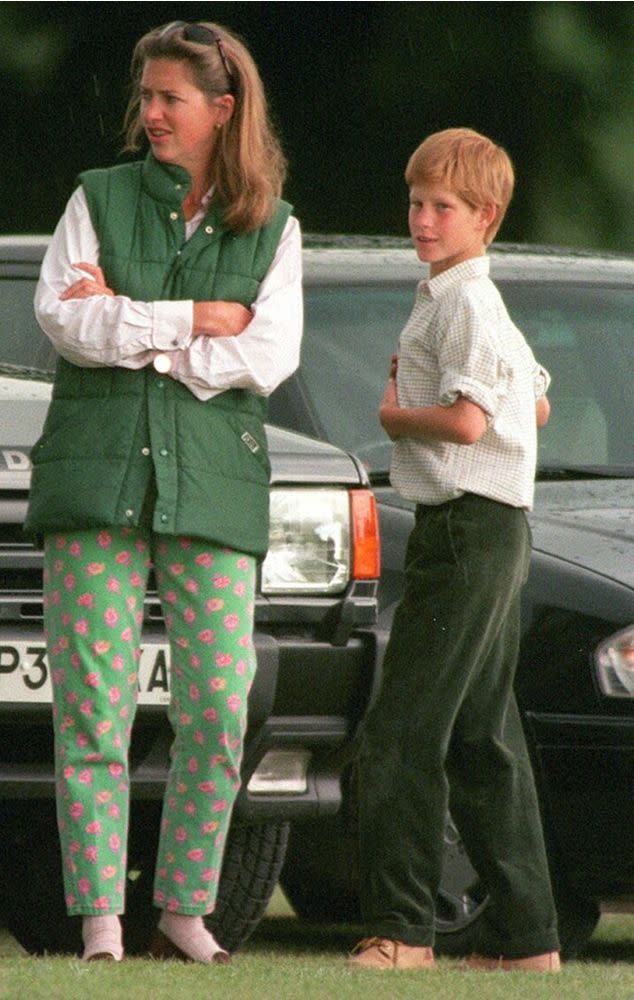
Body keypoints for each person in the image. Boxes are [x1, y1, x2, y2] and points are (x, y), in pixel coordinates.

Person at [25, 20, 302, 964]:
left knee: (220, 710)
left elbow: (266, 354)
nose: (149, 114)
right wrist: (193, 322)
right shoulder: (96, 198)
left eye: (169, 99)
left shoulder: (275, 225)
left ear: (223, 110)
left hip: (214, 489)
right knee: (91, 710)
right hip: (94, 482)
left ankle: (186, 910)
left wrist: (129, 323)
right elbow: (62, 322)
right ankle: (101, 922)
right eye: (144, 96)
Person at [349, 128, 561, 972]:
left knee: (401, 732)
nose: (423, 219)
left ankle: (402, 932)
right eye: (416, 201)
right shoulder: (468, 298)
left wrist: (397, 417)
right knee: (481, 736)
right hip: (496, 526)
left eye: (444, 206)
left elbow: (472, 421)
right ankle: (526, 942)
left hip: (468, 529)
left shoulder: (463, 303)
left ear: (487, 216)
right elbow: (535, 404)